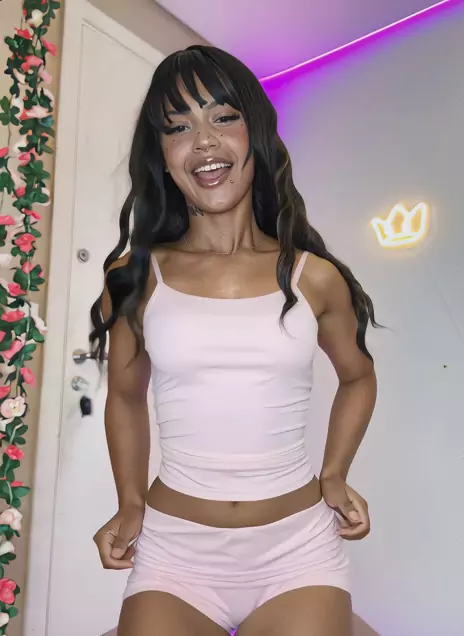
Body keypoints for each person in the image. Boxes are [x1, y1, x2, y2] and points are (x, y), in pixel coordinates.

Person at [90, 45, 378, 636]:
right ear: (160, 154)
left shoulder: (314, 277)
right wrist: (130, 502)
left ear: (257, 134)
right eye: (178, 127)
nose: (203, 142)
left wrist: (334, 472)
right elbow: (124, 397)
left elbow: (358, 377)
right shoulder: (136, 276)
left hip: (297, 552)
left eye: (223, 117)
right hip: (175, 555)